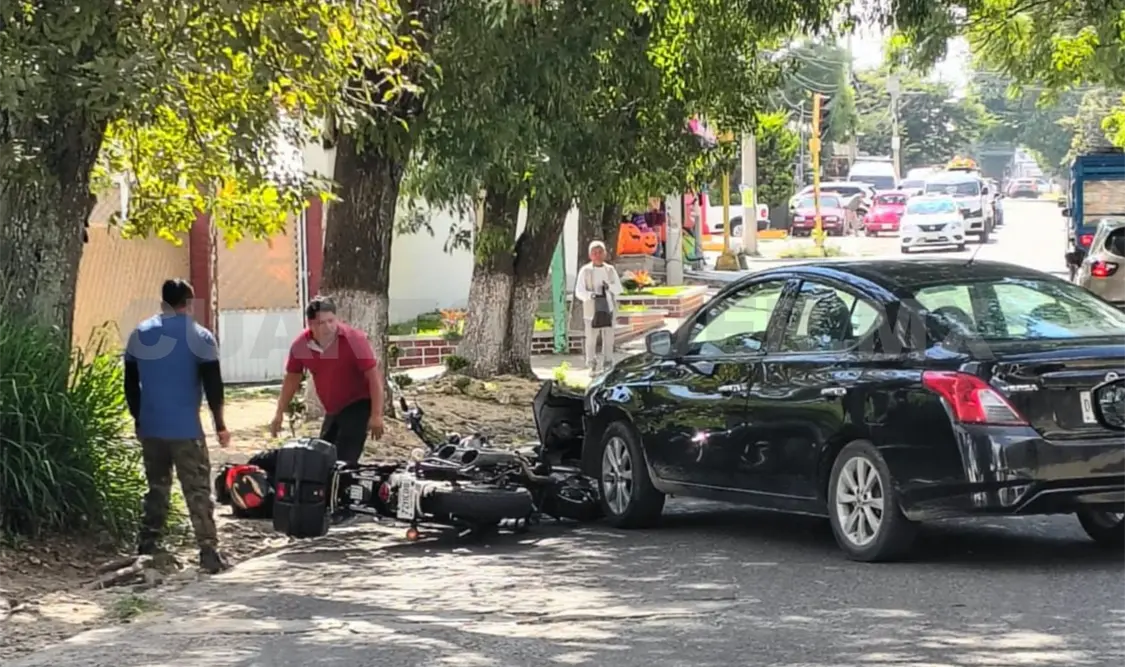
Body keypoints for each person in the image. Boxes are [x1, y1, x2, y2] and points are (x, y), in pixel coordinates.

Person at [124, 279, 230, 574]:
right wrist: (220, 425)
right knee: (197, 490)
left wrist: (139, 419)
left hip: (152, 428)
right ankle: (208, 551)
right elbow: (214, 386)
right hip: (186, 430)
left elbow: (130, 385)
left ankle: (148, 547)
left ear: (163, 302)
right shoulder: (200, 337)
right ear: (189, 303)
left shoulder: (139, 334)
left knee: (157, 489)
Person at [270, 296, 385, 465]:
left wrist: (376, 415)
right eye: (321, 323)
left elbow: (374, 377)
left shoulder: (353, 340)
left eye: (331, 321)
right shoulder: (301, 345)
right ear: (310, 324)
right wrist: (279, 413)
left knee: (342, 460)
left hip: (359, 402)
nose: (328, 327)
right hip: (333, 408)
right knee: (322, 456)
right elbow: (292, 379)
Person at [574, 240, 624, 373]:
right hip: (591, 311)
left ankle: (608, 362)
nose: (597, 255)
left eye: (600, 252)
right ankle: (591, 363)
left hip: (608, 309)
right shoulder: (585, 270)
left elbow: (619, 289)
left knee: (609, 338)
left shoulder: (610, 270)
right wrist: (591, 295)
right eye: (594, 252)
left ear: (605, 254)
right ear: (590, 255)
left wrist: (609, 287)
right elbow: (579, 291)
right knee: (591, 339)